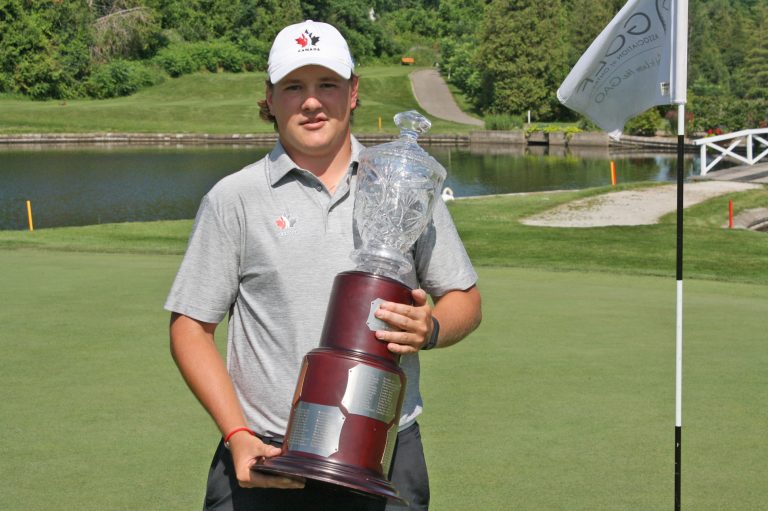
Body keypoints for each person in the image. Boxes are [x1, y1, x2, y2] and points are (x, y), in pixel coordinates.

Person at [165, 19, 482, 511]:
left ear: (353, 92)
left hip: (383, 453)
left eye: (327, 84)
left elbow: (466, 299)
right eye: (294, 87)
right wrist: (237, 434)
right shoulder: (234, 199)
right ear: (269, 99)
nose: (311, 101)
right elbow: (189, 327)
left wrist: (432, 327)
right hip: (265, 456)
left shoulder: (405, 187)